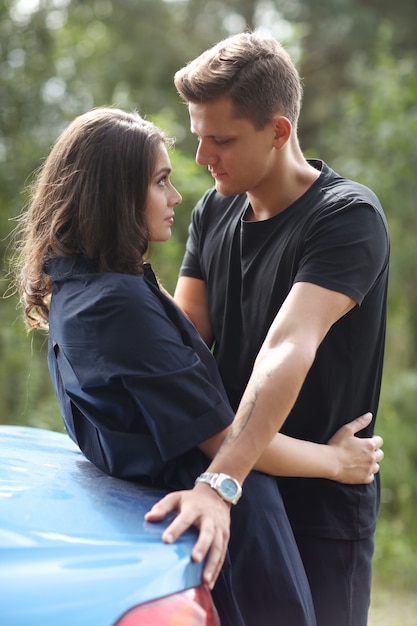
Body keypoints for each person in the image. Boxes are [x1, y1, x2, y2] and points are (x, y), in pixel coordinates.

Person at [14, 107, 382, 626]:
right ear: (116, 195)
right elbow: (226, 440)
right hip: (235, 533)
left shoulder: (80, 288)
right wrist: (337, 462)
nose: (176, 195)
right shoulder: (115, 304)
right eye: (161, 181)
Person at [146, 32, 389, 626]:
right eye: (199, 137)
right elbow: (185, 333)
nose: (203, 158)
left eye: (221, 139)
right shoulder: (213, 210)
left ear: (279, 131)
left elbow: (288, 345)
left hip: (317, 515)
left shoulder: (347, 217)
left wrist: (219, 482)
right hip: (240, 506)